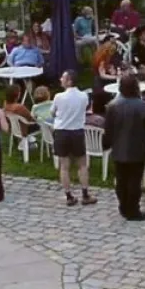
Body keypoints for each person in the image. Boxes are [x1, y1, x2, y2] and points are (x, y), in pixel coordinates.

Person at [103, 73, 145, 221]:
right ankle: (132, 210)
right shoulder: (144, 107)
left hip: (119, 149)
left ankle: (124, 206)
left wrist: (107, 144)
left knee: (121, 180)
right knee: (134, 180)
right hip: (137, 149)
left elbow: (108, 130)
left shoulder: (112, 107)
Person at [53, 70, 98, 207]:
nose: (60, 79)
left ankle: (69, 196)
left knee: (64, 166)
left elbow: (52, 112)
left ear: (69, 81)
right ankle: (85, 194)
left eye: (63, 78)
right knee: (82, 164)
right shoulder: (84, 96)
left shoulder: (58, 97)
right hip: (77, 131)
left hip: (62, 132)